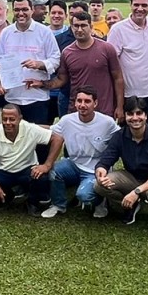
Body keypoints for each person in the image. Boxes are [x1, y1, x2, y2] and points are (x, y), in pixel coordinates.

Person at [33, 86, 119, 219]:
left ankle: (100, 202)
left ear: (95, 103)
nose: (82, 105)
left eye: (87, 101)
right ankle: (58, 205)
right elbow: (50, 129)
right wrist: (26, 125)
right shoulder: (67, 120)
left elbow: (123, 135)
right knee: (53, 170)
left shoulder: (107, 122)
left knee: (84, 196)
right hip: (74, 164)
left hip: (96, 169)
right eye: (79, 101)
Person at [94, 97, 148, 229]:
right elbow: (105, 160)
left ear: (146, 116)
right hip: (132, 178)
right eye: (130, 114)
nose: (135, 118)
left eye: (139, 113)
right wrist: (100, 173)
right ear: (125, 116)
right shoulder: (120, 135)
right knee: (98, 185)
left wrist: (136, 191)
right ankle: (131, 205)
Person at [45, 10, 125, 123]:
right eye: (76, 26)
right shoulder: (67, 53)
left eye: (83, 25)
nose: (79, 29)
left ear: (91, 27)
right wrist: (42, 84)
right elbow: (61, 80)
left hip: (104, 110)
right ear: (71, 27)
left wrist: (120, 106)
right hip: (77, 111)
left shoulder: (107, 49)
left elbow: (118, 78)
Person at [0, 0, 61, 125]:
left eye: (24, 9)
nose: (21, 13)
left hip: (37, 97)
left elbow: (56, 58)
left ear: (32, 10)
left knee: (39, 141)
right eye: (17, 10)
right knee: (14, 141)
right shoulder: (6, 33)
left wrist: (40, 64)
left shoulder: (44, 32)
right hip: (12, 97)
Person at [107, 0, 148, 121]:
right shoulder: (118, 29)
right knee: (131, 135)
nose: (140, 8)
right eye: (136, 5)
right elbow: (111, 63)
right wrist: (119, 103)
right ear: (130, 5)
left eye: (144, 5)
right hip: (130, 95)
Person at [0, 104, 52, 211]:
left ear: (20, 119)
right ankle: (7, 198)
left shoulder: (30, 129)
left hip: (27, 170)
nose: (8, 123)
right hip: (4, 171)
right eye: (4, 119)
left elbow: (57, 138)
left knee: (42, 177)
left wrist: (47, 165)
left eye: (12, 119)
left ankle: (32, 202)